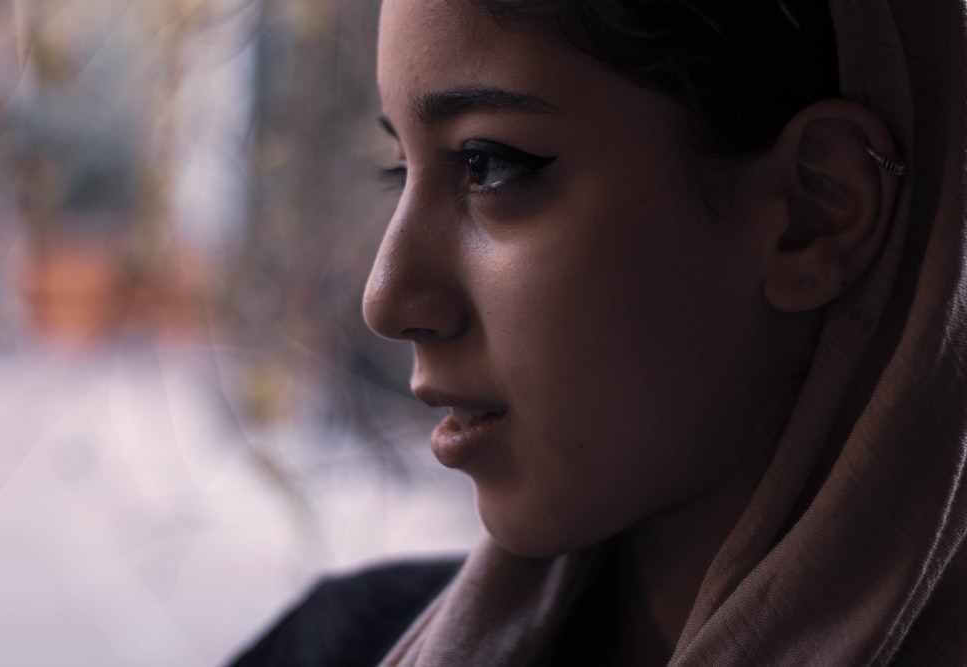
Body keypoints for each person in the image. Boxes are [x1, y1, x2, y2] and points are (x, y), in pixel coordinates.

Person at [229, 0, 967, 664]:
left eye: (489, 165)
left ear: (816, 211)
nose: (386, 300)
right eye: (399, 170)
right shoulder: (339, 644)